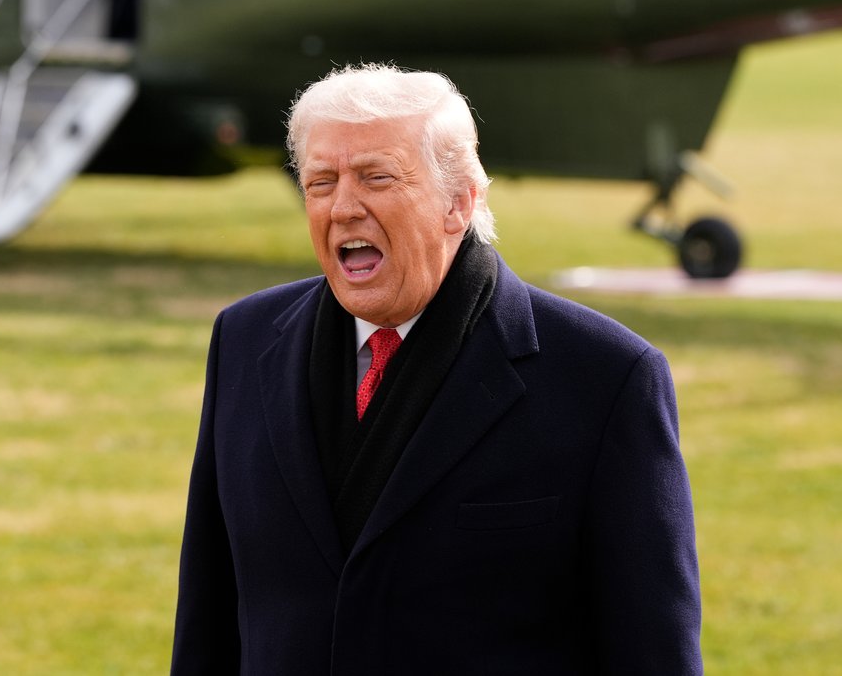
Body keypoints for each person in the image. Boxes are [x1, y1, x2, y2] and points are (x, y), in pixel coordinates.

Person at [171, 64, 702, 674]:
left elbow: (654, 653)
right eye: (320, 183)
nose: (343, 207)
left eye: (376, 177)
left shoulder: (606, 378)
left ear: (460, 201)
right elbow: (208, 617)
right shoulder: (243, 340)